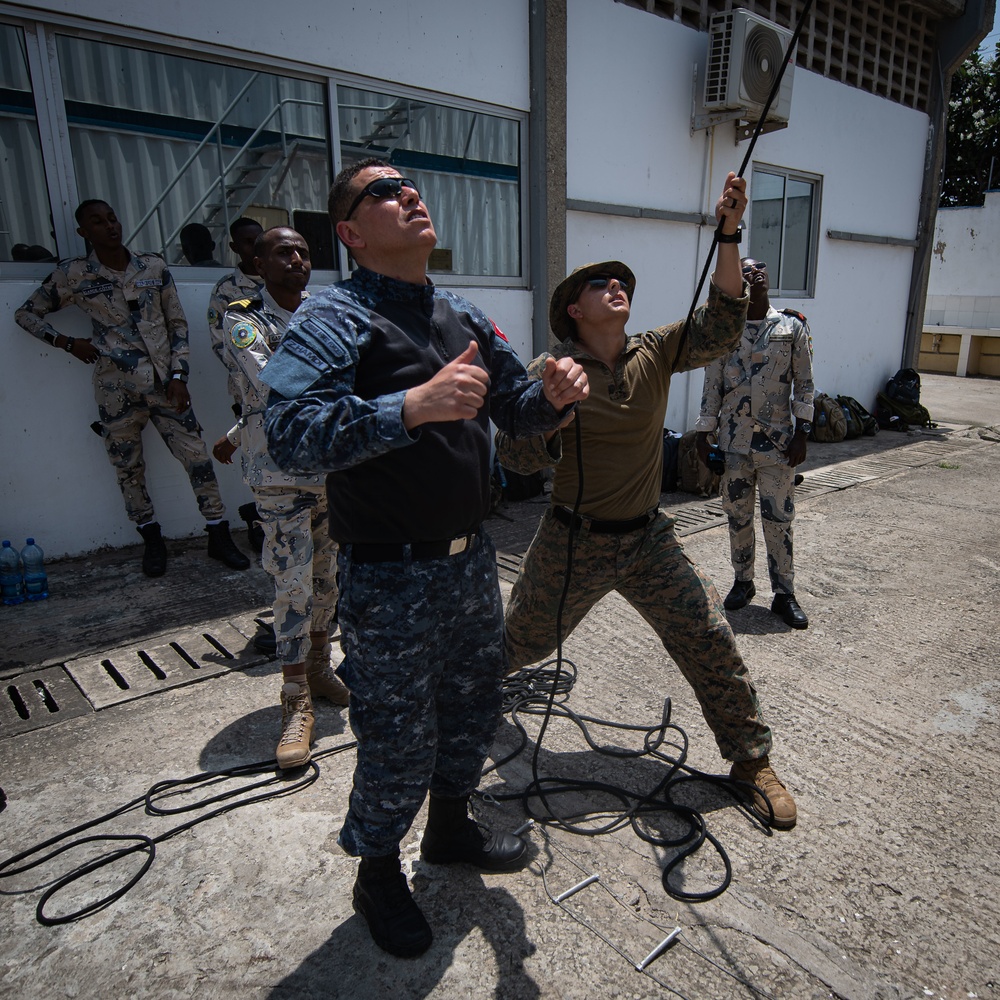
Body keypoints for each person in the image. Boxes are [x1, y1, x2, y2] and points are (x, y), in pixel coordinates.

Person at [261, 157, 590, 958]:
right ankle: (377, 874)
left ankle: (449, 830)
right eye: (384, 191)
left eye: (411, 185)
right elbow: (288, 435)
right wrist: (407, 407)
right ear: (349, 232)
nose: (409, 194)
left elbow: (513, 411)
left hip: (470, 559)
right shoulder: (336, 318)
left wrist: (551, 397)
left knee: (474, 707)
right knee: (398, 733)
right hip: (390, 571)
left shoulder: (463, 315)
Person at [496, 173, 798, 837]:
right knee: (519, 642)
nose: (616, 286)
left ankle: (752, 760)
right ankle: (460, 693)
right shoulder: (551, 372)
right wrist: (550, 414)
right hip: (573, 541)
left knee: (708, 637)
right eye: (599, 283)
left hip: (649, 542)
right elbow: (512, 461)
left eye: (621, 280)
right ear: (572, 310)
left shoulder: (655, 351)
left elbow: (721, 323)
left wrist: (728, 229)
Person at [14, 199, 250, 577]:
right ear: (83, 232)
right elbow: (26, 313)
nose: (110, 226)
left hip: (165, 387)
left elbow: (177, 325)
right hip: (116, 391)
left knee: (198, 460)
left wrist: (179, 376)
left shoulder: (152, 266)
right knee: (128, 469)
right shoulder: (74, 274)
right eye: (98, 222)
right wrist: (67, 343)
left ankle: (218, 533)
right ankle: (151, 538)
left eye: (112, 218)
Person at [211, 226, 347, 768]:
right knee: (292, 584)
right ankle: (294, 702)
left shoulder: (325, 311)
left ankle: (318, 666)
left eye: (303, 252)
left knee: (327, 579)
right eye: (282, 252)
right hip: (280, 476)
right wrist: (245, 427)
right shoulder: (244, 318)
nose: (296, 259)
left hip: (332, 474)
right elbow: (273, 383)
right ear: (258, 263)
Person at [694, 256, 815, 629]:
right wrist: (703, 432)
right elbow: (712, 383)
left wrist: (803, 432)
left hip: (778, 445)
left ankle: (784, 593)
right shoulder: (725, 331)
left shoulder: (791, 327)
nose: (756, 271)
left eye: (761, 266)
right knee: (737, 517)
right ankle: (743, 582)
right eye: (746, 270)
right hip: (734, 444)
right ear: (737, 282)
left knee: (779, 520)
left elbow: (805, 382)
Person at [208, 217, 265, 415]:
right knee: (255, 444)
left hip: (288, 383)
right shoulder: (225, 290)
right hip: (246, 388)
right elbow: (220, 343)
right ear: (234, 247)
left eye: (259, 240)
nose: (255, 247)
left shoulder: (281, 278)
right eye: (248, 242)